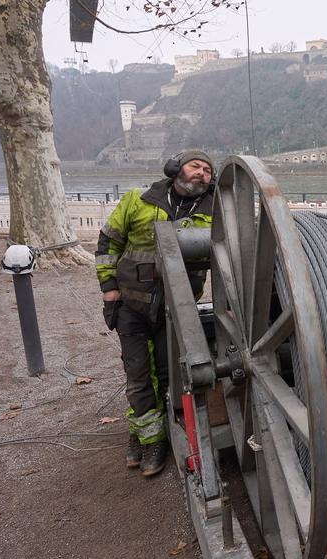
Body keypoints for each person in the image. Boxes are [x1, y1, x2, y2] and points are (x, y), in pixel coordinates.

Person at [96, 150, 215, 477]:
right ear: (176, 168)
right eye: (195, 166)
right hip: (131, 307)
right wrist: (110, 289)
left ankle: (158, 435)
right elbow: (108, 242)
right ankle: (147, 436)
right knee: (137, 376)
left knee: (168, 375)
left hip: (176, 311)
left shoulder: (214, 213)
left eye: (207, 170)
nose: (201, 173)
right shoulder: (138, 200)